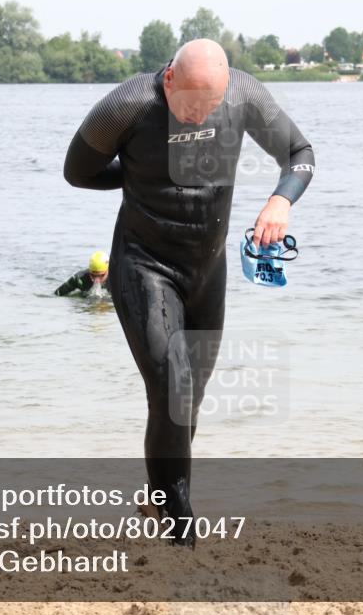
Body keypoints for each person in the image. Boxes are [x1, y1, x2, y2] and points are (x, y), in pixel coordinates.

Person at [63, 39, 315, 546]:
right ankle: (180, 529)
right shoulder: (128, 105)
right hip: (143, 263)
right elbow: (78, 171)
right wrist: (138, 177)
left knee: (189, 399)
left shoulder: (244, 95)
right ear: (170, 79)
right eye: (191, 103)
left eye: (212, 104)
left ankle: (158, 498)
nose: (201, 114)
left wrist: (279, 201)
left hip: (207, 271)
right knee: (172, 387)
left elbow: (299, 154)